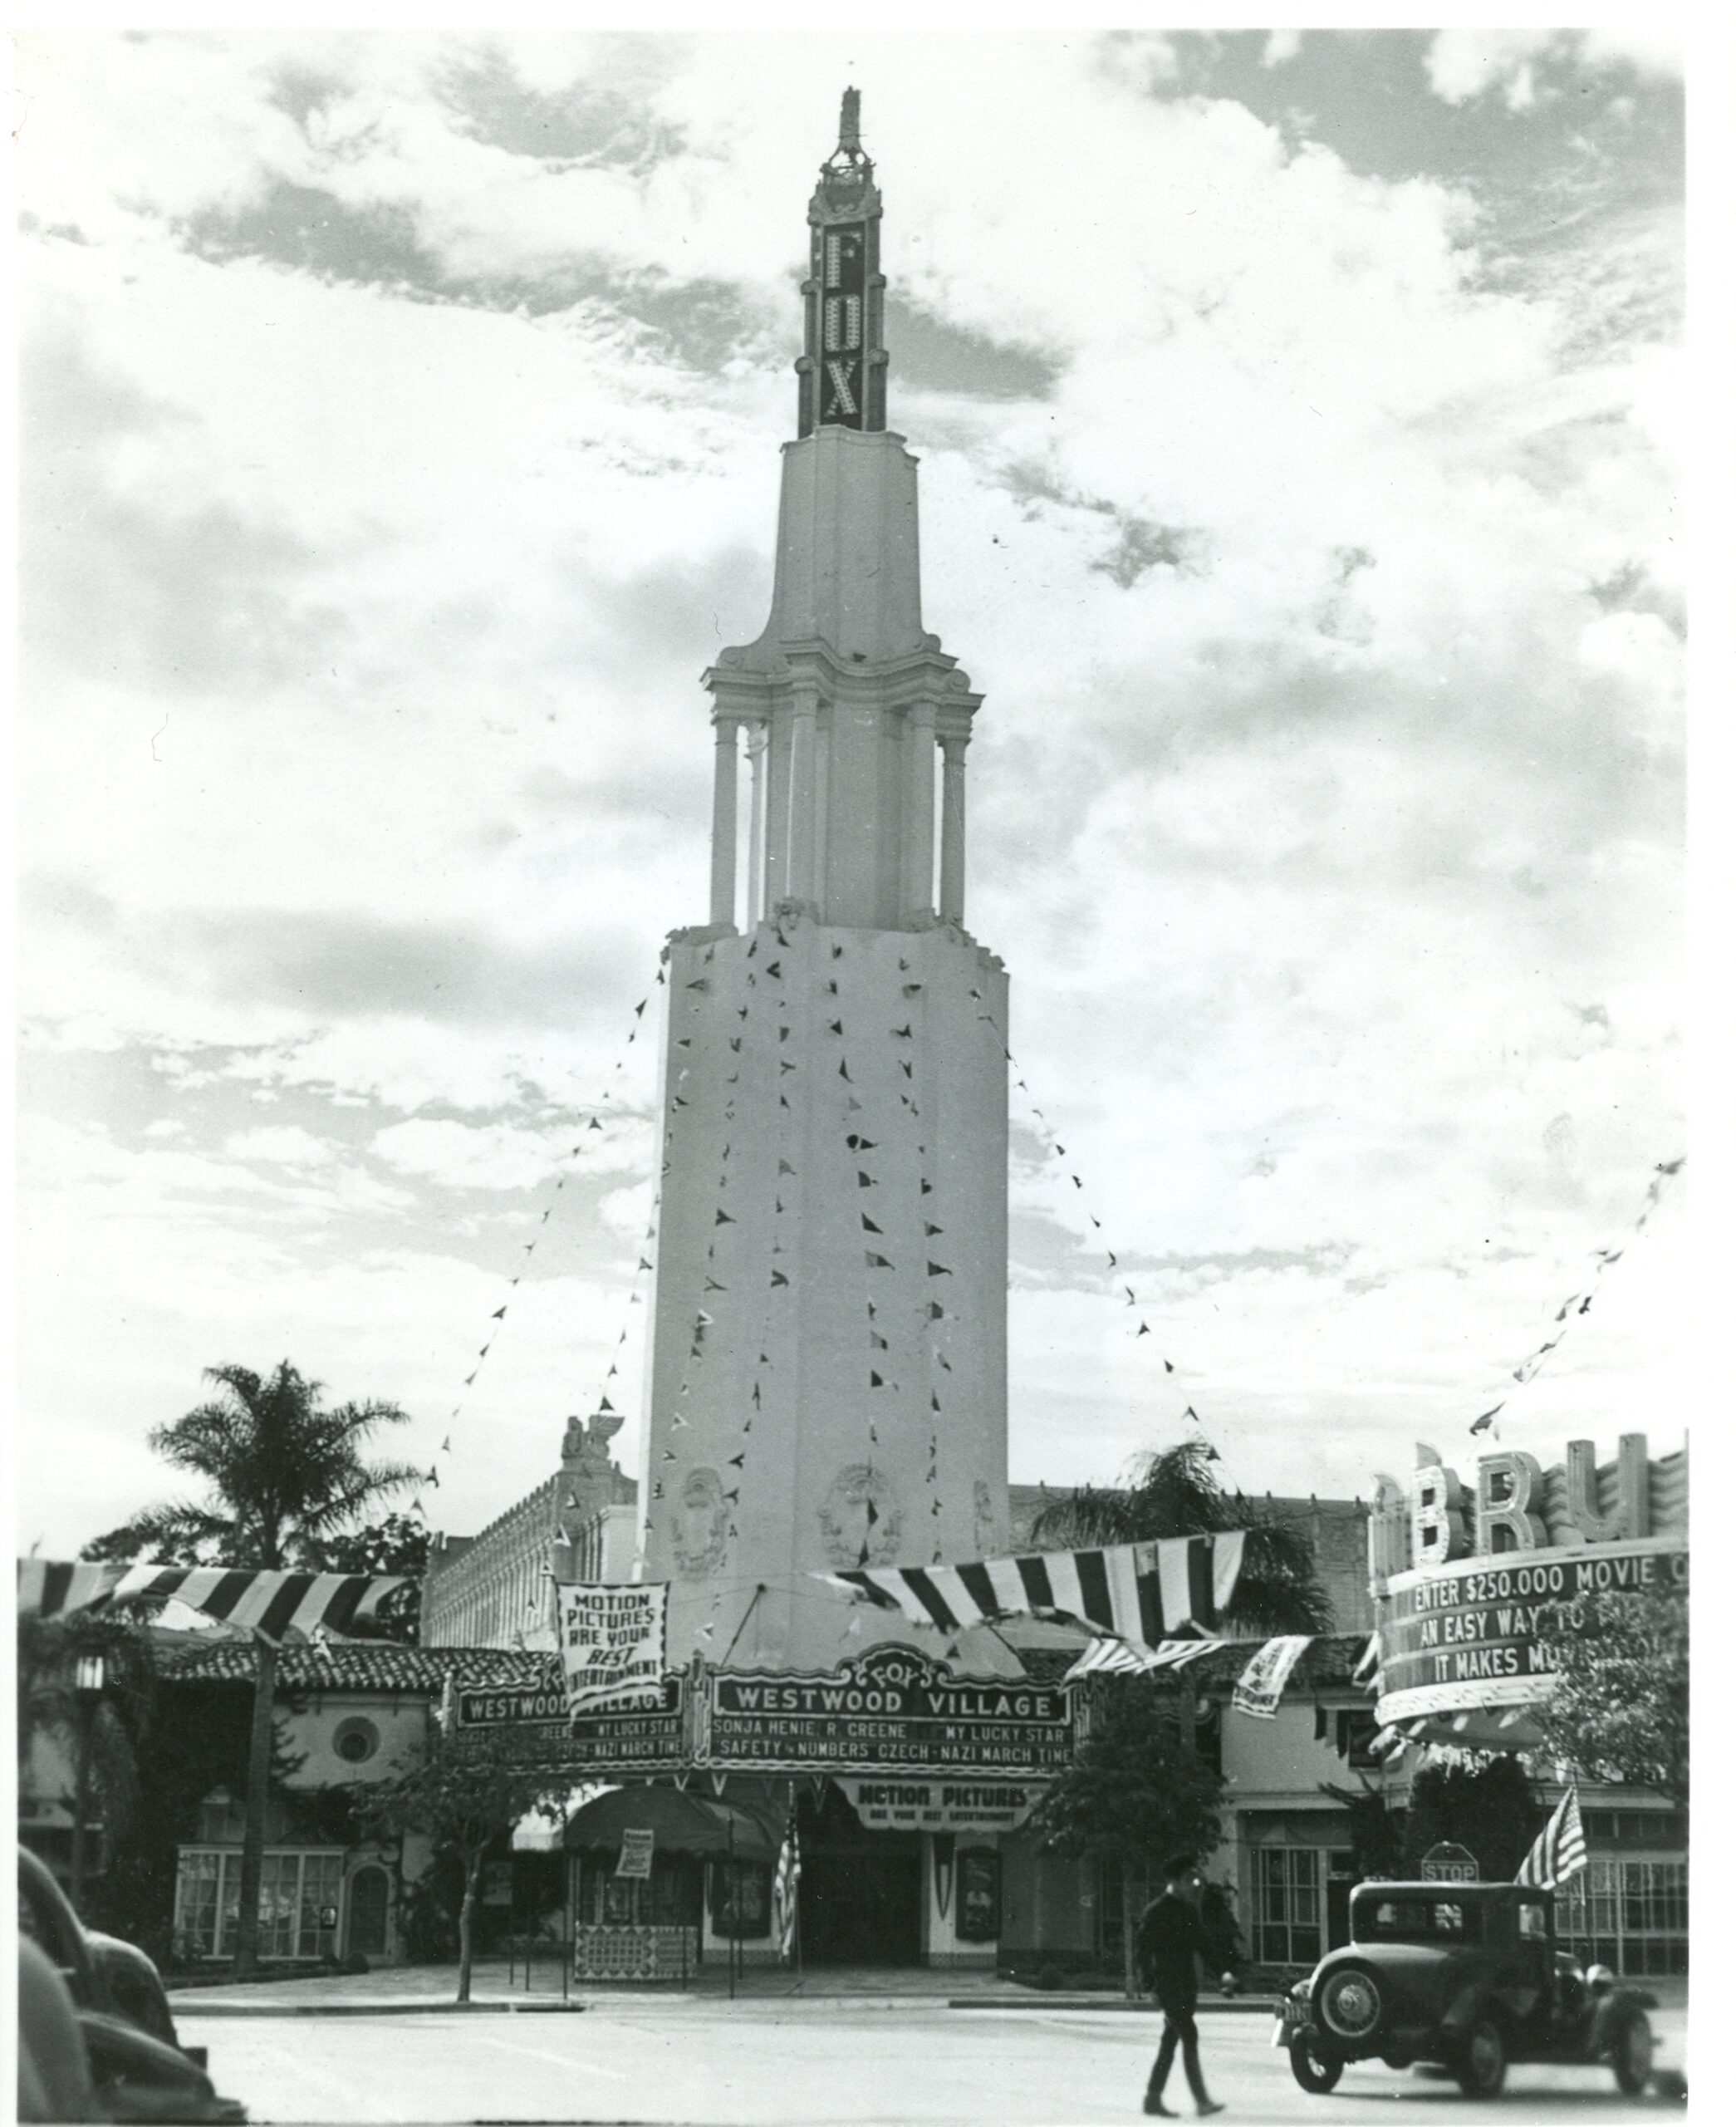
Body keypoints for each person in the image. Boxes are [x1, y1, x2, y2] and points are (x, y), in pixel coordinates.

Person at [1135, 1854, 1224, 2119]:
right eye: (1189, 1879)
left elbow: (1203, 1945)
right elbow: (1142, 1951)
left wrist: (1224, 1973)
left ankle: (1152, 2098)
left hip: (1186, 1984)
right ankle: (1202, 2101)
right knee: (1189, 2034)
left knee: (1170, 2040)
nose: (1194, 1884)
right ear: (1174, 1881)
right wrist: (1150, 1984)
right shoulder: (1156, 1911)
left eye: (1195, 1879)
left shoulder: (1188, 1910)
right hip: (1168, 1986)